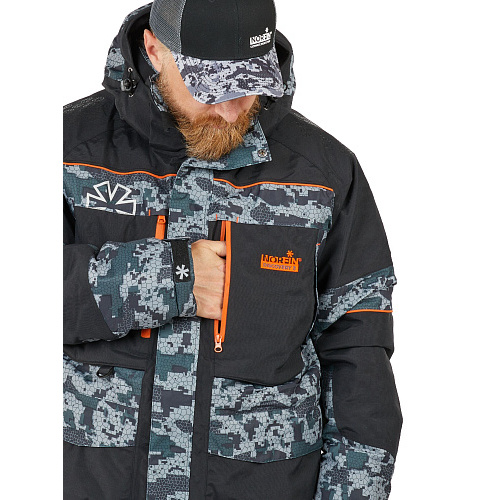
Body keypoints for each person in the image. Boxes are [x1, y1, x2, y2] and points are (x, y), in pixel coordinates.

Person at [63, 1, 403, 498]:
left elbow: (359, 358)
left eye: (247, 83)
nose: (230, 108)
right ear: (154, 49)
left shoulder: (323, 175)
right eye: (211, 87)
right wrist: (168, 278)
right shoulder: (68, 149)